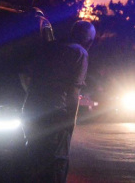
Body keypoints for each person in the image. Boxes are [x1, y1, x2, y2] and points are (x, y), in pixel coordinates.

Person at [22, 19, 96, 183]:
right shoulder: (80, 53)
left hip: (31, 111)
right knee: (56, 162)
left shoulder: (50, 47)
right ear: (89, 41)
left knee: (34, 159)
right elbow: (73, 91)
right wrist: (71, 121)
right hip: (56, 114)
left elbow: (25, 75)